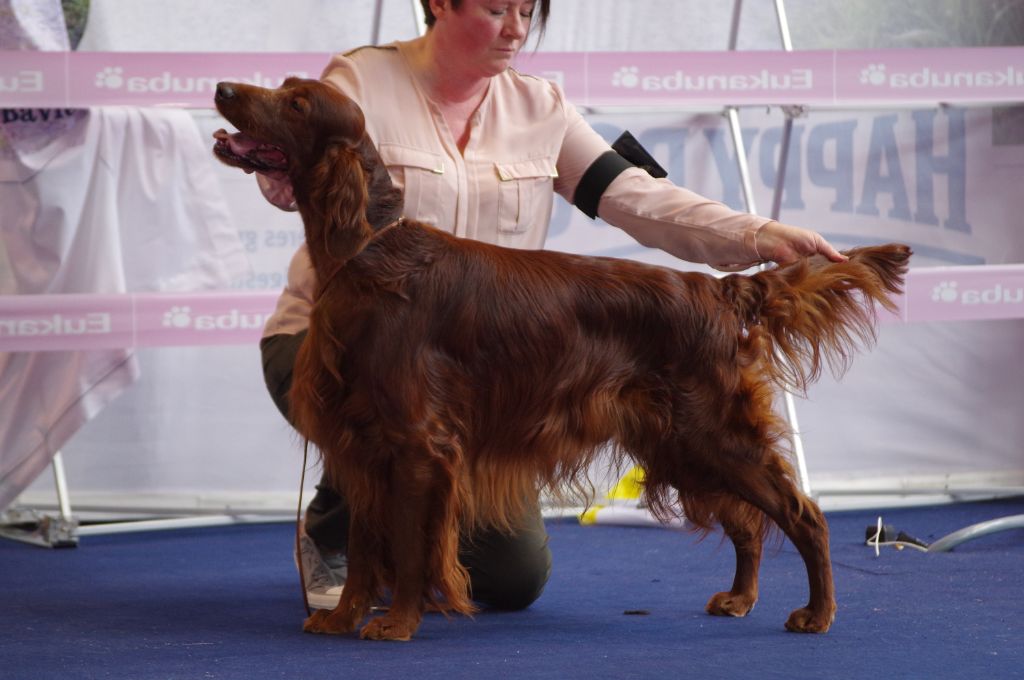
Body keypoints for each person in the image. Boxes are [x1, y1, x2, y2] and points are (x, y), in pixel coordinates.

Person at [258, 0, 846, 613]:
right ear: (439, 5)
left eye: (526, 12)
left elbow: (636, 196)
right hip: (334, 342)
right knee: (387, 421)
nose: (516, 28)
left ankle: (412, 531)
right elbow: (294, 167)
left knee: (512, 578)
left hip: (478, 366)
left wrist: (759, 236)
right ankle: (338, 525)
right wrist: (275, 162)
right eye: (496, 9)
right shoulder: (360, 82)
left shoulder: (541, 109)